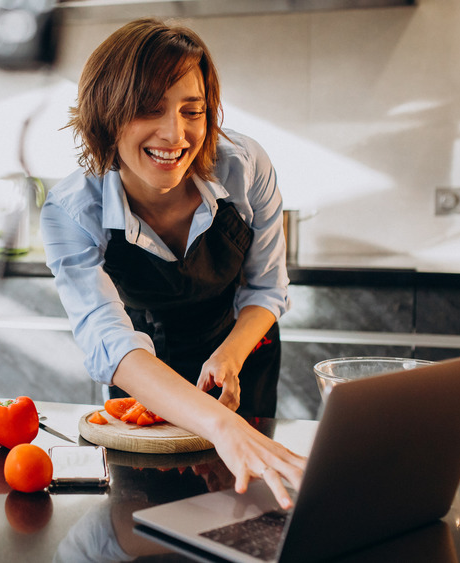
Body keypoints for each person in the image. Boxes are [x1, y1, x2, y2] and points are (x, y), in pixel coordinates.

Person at [40, 18, 306, 509]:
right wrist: (218, 422)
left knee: (237, 516)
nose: (175, 134)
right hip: (145, 370)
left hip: (241, 358)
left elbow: (266, 290)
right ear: (106, 115)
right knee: (147, 518)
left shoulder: (245, 167)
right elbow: (108, 338)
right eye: (149, 109)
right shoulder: (73, 210)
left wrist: (229, 357)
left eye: (193, 110)